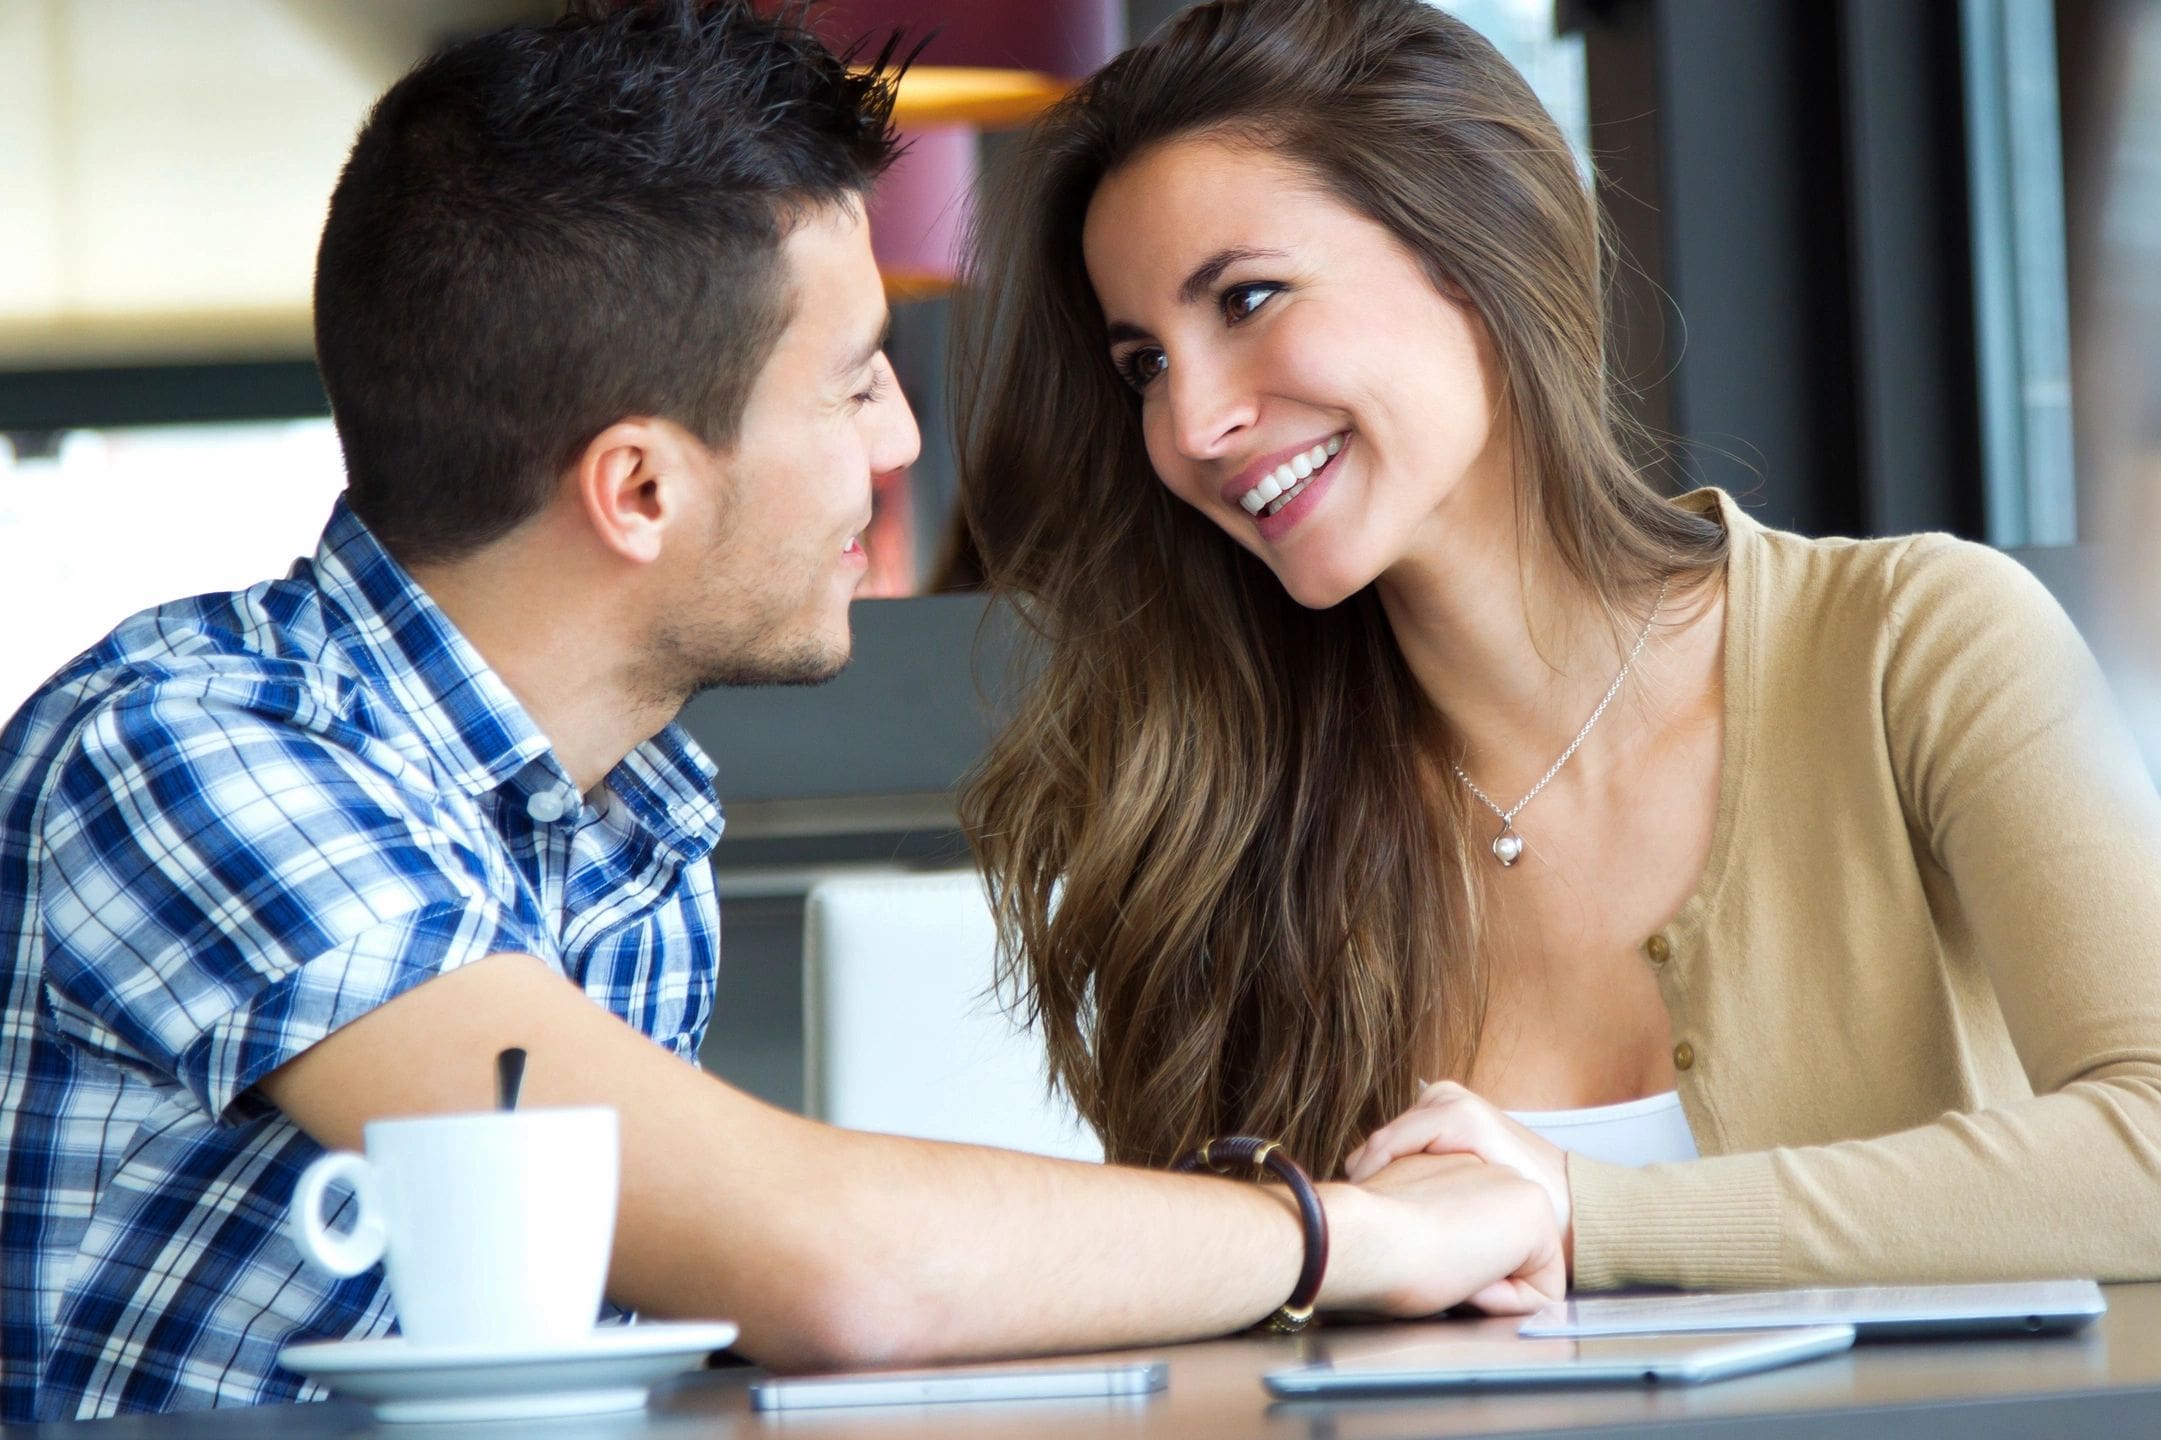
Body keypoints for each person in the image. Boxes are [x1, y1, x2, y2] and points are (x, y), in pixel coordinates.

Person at [0, 2, 1565, 1423]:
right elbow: (834, 1266)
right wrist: (1356, 1232)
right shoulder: (184, 752)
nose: (897, 438)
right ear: (639, 489)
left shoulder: (629, 825)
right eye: (853, 379)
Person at [954, 0, 2161, 1296]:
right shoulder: (1211, 820)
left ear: (1474, 255)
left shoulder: (1910, 645)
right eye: (1142, 365)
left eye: (1246, 299)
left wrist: (1584, 1216)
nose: (1191, 422)